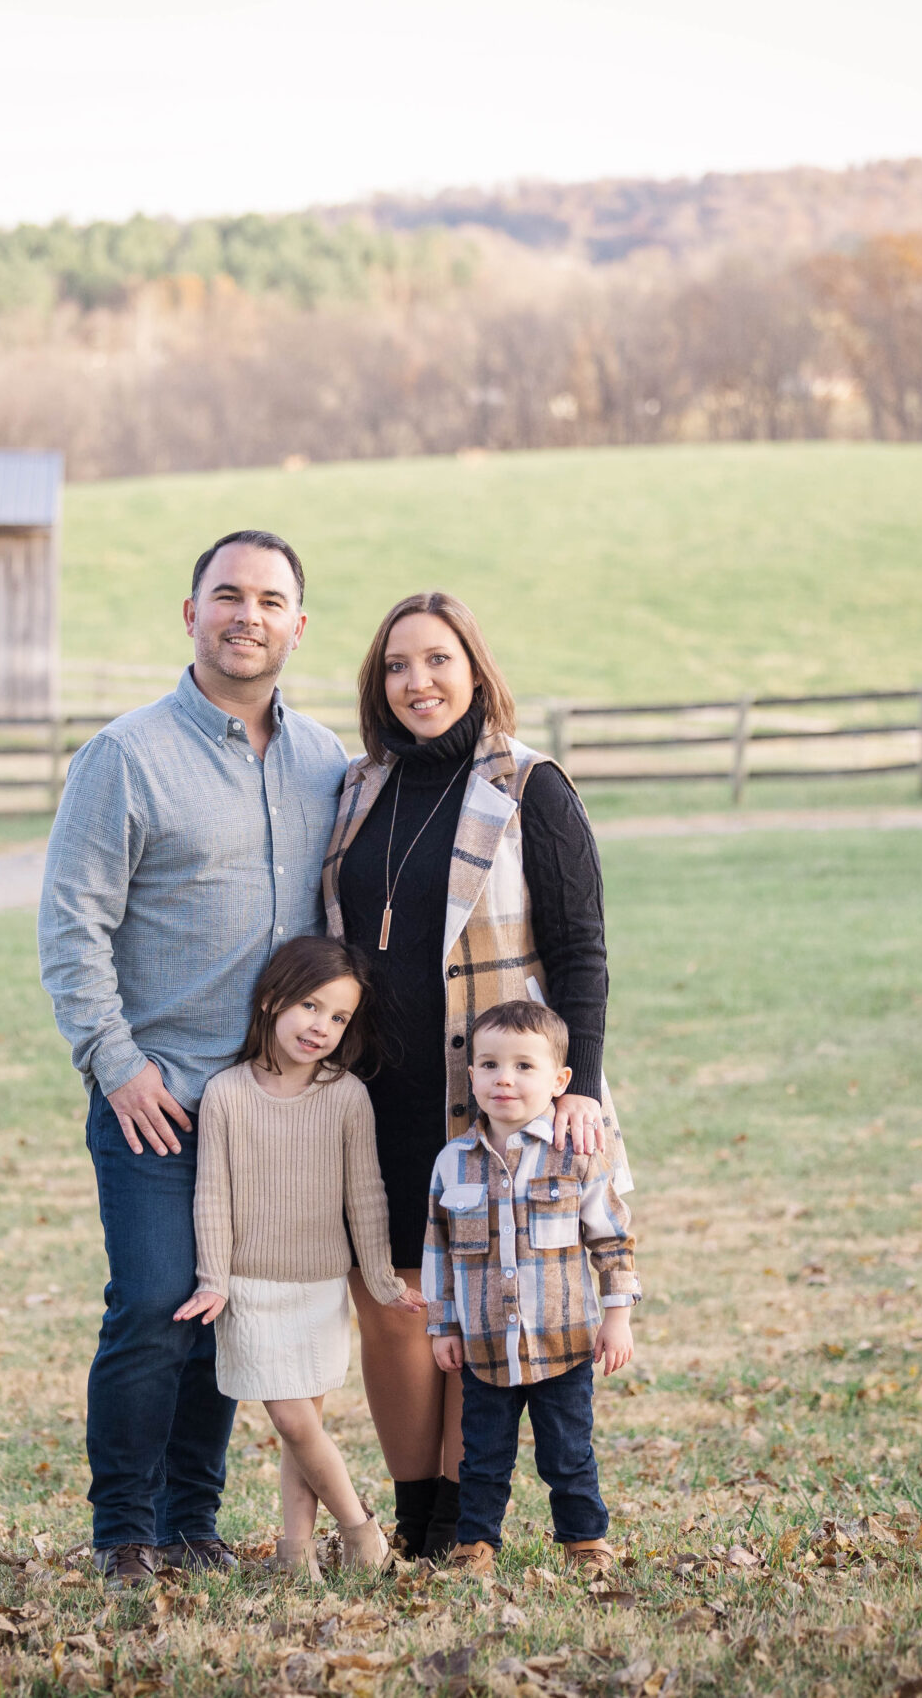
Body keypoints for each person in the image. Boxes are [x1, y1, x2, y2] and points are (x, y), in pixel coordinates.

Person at [39, 530, 351, 1586]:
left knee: (228, 1313)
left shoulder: (324, 763)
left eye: (270, 601)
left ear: (297, 626)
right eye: (227, 596)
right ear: (190, 614)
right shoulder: (123, 756)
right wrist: (111, 1060)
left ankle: (190, 1522)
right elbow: (72, 927)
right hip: (158, 1095)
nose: (246, 616)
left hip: (268, 1109)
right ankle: (123, 1529)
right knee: (156, 1302)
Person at [319, 590, 618, 1558]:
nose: (419, 682)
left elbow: (580, 951)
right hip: (373, 1091)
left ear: (476, 673)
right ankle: (421, 1515)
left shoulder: (532, 788)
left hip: (494, 1089)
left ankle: (465, 1520)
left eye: (438, 660)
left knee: (484, 1299)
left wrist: (576, 1088)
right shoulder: (356, 791)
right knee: (396, 1302)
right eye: (398, 666)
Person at [175, 936, 425, 1579]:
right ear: (270, 999)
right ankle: (361, 1531)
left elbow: (365, 1195)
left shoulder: (344, 1095)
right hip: (251, 1286)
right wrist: (214, 1279)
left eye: (339, 1017)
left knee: (300, 1426)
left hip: (320, 1285)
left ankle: (296, 1555)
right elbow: (213, 1195)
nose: (322, 1027)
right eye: (311, 1007)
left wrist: (378, 1277)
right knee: (289, 1415)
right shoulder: (227, 1093)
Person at [423, 1000, 637, 1575]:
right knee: (483, 1457)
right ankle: (476, 1543)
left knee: (568, 1454)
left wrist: (617, 1316)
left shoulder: (578, 1155)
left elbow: (611, 1238)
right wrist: (442, 1325)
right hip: (486, 1347)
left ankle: (584, 1540)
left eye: (524, 1066)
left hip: (563, 1343)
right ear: (471, 1077)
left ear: (560, 1080)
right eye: (490, 1065)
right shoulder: (453, 1164)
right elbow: (437, 1251)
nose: (504, 1079)